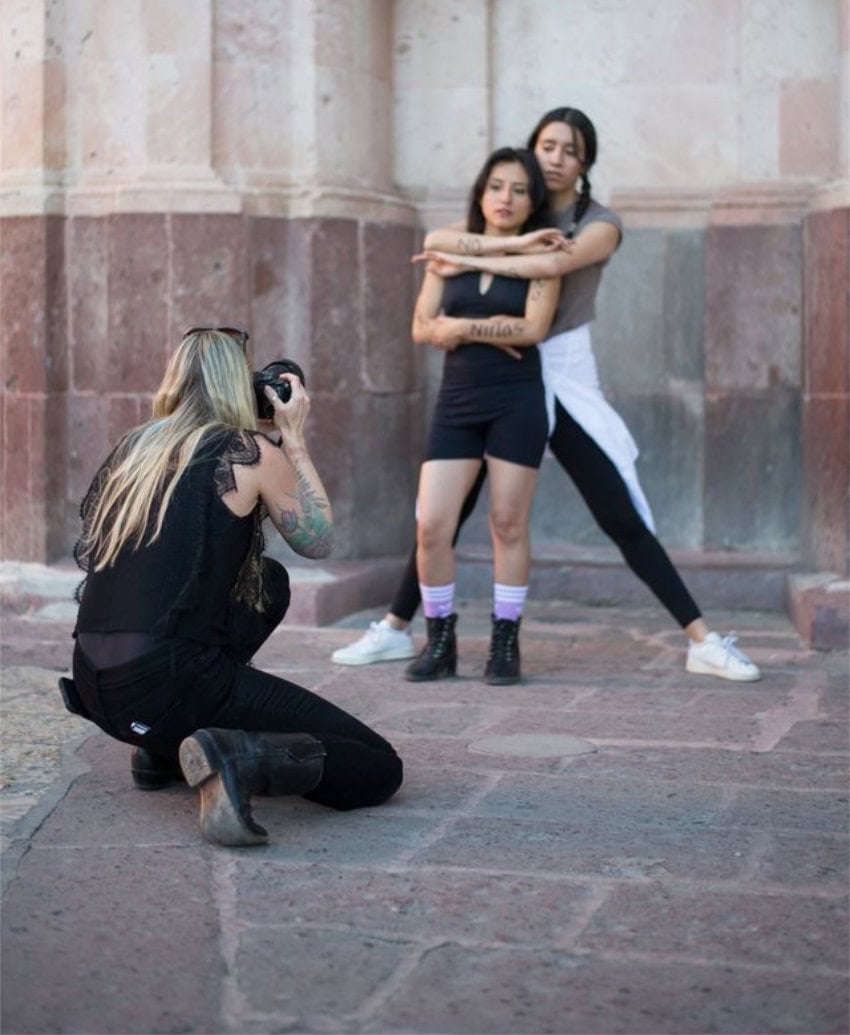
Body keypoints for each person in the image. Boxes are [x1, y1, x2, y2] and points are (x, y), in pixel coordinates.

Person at [332, 107, 761, 683]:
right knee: (442, 516)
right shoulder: (513, 206)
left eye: (570, 150)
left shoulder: (599, 222)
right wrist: (469, 255)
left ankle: (703, 640)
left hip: (559, 367)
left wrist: (463, 261)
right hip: (493, 372)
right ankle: (395, 627)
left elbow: (551, 262)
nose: (555, 158)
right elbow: (443, 244)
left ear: (586, 163)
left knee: (616, 510)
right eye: (547, 146)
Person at [62, 327, 402, 847]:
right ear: (235, 385)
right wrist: (295, 440)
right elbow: (317, 540)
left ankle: (159, 750)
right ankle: (237, 758)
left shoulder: (135, 450)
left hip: (92, 682)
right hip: (168, 680)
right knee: (376, 767)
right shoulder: (245, 451)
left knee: (269, 582)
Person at [401, 146, 560, 685]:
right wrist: (484, 312)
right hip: (458, 403)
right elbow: (422, 326)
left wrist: (463, 327)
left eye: (519, 189)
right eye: (497, 186)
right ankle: (439, 639)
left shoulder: (546, 255)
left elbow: (533, 329)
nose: (506, 198)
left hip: (517, 399)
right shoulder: (448, 247)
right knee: (431, 528)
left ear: (533, 199)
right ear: (481, 191)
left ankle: (504, 640)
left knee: (507, 524)